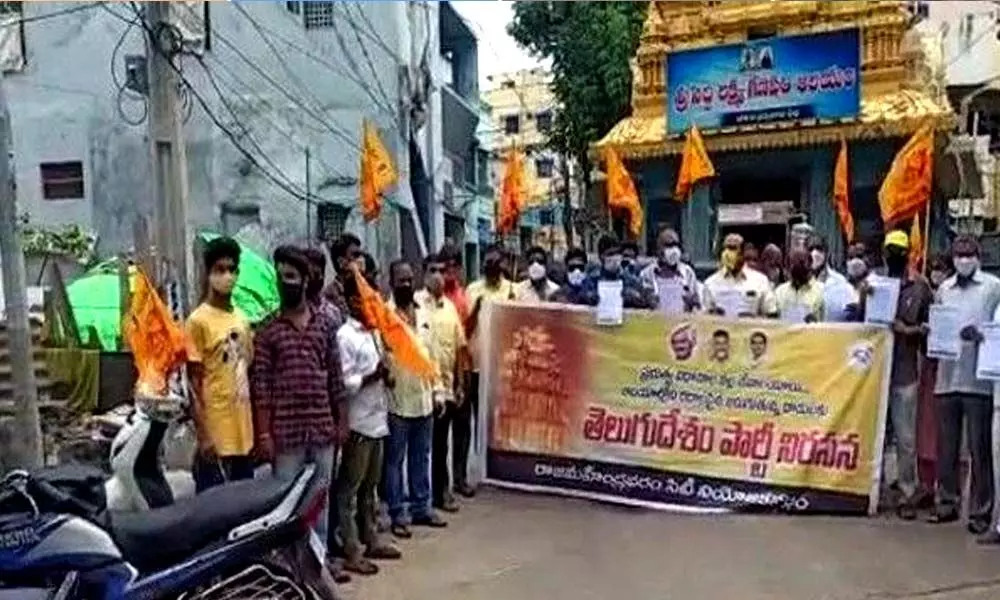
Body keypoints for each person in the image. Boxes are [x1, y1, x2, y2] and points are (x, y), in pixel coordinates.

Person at [251, 245, 346, 561]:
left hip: (321, 430)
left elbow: (335, 377)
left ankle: (317, 567)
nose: (284, 283)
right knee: (286, 504)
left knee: (320, 502)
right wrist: (264, 435)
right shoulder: (268, 331)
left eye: (290, 276)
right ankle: (289, 571)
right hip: (286, 434)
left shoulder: (325, 325)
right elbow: (261, 387)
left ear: (305, 281)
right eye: (280, 277)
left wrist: (341, 421)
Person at [930, 235, 1000, 536]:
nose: (963, 259)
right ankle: (947, 503)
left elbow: (997, 329)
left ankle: (981, 512)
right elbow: (938, 325)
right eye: (959, 254)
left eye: (969, 254)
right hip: (947, 376)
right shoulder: (944, 288)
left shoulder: (993, 288)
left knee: (979, 448)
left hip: (978, 379)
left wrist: (982, 335)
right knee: (946, 447)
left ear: (978, 256)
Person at [336, 270, 401, 574]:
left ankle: (370, 537)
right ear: (351, 301)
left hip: (378, 418)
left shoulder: (374, 332)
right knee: (350, 488)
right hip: (358, 422)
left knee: (370, 487)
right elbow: (344, 381)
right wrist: (370, 377)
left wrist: (386, 377)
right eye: (365, 300)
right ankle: (351, 549)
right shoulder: (344, 336)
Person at [384, 258, 453, 539]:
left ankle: (421, 508)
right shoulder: (385, 317)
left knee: (421, 456)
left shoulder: (422, 312)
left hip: (425, 399)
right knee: (394, 461)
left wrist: (439, 391)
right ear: (391, 283)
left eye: (410, 279)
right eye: (401, 280)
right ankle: (398, 513)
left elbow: (431, 357)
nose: (407, 284)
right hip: (398, 401)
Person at [186, 237, 254, 493]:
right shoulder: (197, 321)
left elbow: (249, 369)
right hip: (215, 436)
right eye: (220, 269)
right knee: (213, 513)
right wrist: (204, 435)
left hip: (243, 436)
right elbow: (193, 382)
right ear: (208, 273)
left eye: (232, 269)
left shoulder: (242, 320)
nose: (227, 276)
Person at [877, 230, 934, 520]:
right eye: (890, 250)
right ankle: (876, 491)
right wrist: (865, 300)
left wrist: (907, 330)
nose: (894, 255)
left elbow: (932, 329)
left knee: (905, 437)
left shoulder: (920, 287)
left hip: (904, 372)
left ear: (907, 252)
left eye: (899, 250)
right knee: (876, 435)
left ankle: (908, 494)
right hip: (874, 375)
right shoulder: (874, 283)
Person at [454, 244, 516, 504]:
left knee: (490, 425)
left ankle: (491, 473)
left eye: (495, 265)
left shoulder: (512, 290)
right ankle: (460, 477)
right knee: (464, 424)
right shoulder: (472, 290)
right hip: (473, 367)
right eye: (487, 265)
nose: (491, 270)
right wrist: (476, 311)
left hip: (498, 369)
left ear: (502, 266)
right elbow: (463, 331)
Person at [916, 253, 952, 504]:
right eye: (933, 268)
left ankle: (949, 489)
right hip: (927, 367)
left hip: (952, 368)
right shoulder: (922, 293)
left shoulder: (952, 294)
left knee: (949, 432)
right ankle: (926, 485)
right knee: (926, 427)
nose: (936, 272)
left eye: (941, 268)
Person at [703, 233, 777, 318]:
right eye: (727, 248)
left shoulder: (760, 281)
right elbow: (705, 317)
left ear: (743, 253)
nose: (729, 254)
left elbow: (771, 313)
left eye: (733, 248)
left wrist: (754, 319)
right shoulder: (710, 283)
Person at [638, 227, 700, 312]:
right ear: (659, 249)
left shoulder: (687, 273)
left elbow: (697, 305)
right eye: (669, 246)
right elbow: (641, 306)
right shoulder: (647, 274)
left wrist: (691, 302)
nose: (674, 250)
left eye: (676, 245)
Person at [773, 248, 823, 323]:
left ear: (810, 264)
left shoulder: (822, 291)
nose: (797, 265)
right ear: (788, 266)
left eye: (801, 262)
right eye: (793, 262)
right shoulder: (779, 291)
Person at [325, 233, 363, 317]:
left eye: (360, 255)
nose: (360, 260)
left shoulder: (362, 289)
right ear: (341, 261)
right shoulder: (331, 294)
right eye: (355, 255)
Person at [304, 247, 343, 326]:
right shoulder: (289, 313)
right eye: (314, 274)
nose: (320, 278)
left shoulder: (332, 313)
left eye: (320, 273)